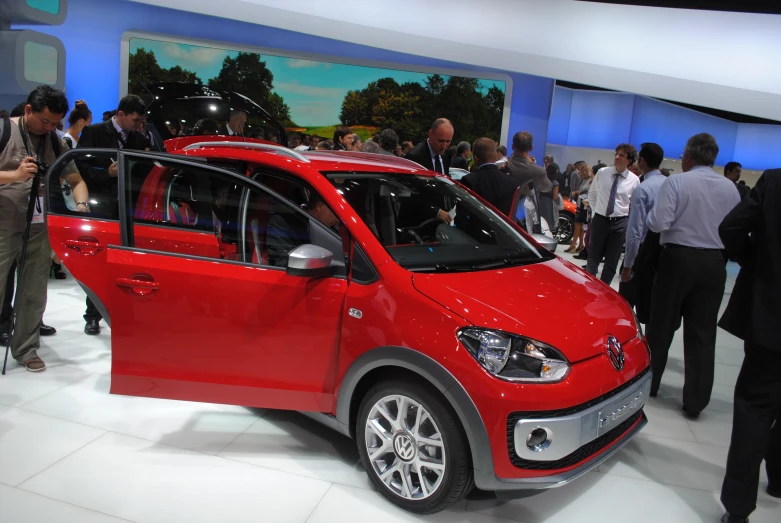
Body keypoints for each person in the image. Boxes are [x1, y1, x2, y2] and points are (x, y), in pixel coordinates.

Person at [645, 133, 741, 417]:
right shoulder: (730, 188)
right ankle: (696, 401)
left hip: (678, 259)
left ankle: (649, 384)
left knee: (661, 326)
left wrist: (651, 216)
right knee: (702, 334)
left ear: (687, 158)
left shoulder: (676, 181)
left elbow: (660, 221)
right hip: (714, 263)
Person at [0, 86, 90, 371]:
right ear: (28, 110)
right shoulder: (3, 131)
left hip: (38, 229)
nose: (50, 127)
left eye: (55, 123)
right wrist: (14, 175)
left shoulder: (54, 141)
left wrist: (82, 205)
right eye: (45, 121)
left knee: (34, 292)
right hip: (2, 227)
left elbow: (76, 179)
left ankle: (26, 348)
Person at [718, 170, 781, 523]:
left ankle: (739, 508)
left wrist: (755, 263)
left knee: (755, 408)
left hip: (771, 315)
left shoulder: (774, 181)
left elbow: (731, 228)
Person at [77, 94, 148, 336]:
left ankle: (124, 314)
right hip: (102, 207)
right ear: (121, 115)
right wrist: (107, 173)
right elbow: (80, 167)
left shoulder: (138, 138)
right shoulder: (94, 132)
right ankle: (93, 315)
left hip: (128, 209)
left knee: (127, 265)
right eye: (135, 119)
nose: (138, 124)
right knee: (99, 263)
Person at [619, 143, 666, 323]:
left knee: (626, 308)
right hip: (662, 253)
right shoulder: (671, 184)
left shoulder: (643, 189)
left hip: (642, 254)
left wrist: (628, 265)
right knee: (652, 308)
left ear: (642, 161)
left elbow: (635, 231)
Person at [585, 144, 640, 284]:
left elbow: (633, 203)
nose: (617, 157)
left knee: (612, 261)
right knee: (593, 259)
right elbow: (592, 195)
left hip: (620, 223)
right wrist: (597, 211)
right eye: (616, 153)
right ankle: (589, 289)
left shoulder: (634, 180)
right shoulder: (603, 173)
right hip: (600, 219)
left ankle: (604, 291)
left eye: (621, 155)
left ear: (629, 161)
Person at [399, 119, 455, 226]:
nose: (444, 146)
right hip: (416, 221)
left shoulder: (446, 155)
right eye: (441, 141)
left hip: (440, 221)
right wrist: (436, 211)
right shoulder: (414, 157)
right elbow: (407, 193)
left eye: (448, 141)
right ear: (430, 134)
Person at [266, 194, 339, 267]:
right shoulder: (283, 224)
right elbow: (286, 263)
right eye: (335, 212)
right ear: (319, 206)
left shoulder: (329, 230)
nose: (338, 219)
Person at [459, 138, 520, 216]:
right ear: (495, 156)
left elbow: (462, 214)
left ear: (476, 158)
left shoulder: (469, 180)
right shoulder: (512, 182)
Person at [507, 131, 553, 234]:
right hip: (523, 223)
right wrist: (532, 164)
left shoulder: (503, 167)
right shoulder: (537, 171)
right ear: (531, 148)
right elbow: (547, 187)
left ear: (513, 146)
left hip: (501, 217)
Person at [565, 162, 592, 253]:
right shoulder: (582, 180)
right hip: (580, 204)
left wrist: (577, 192)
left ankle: (573, 244)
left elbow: (586, 191)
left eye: (585, 171)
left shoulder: (591, 180)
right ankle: (580, 244)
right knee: (578, 225)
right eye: (582, 171)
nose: (584, 172)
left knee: (578, 224)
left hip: (586, 205)